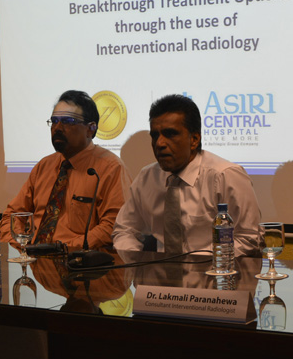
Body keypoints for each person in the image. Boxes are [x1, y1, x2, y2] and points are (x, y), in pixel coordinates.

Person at [112, 94, 262, 256]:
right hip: (159, 270)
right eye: (155, 135)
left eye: (170, 134)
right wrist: (136, 260)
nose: (159, 143)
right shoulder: (146, 178)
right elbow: (125, 229)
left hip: (214, 269)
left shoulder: (224, 176)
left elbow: (249, 237)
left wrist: (199, 261)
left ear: (194, 139)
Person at [0, 90, 130, 250]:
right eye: (54, 121)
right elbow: (12, 216)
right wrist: (21, 246)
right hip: (34, 258)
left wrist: (64, 250)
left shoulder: (110, 168)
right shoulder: (44, 166)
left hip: (77, 260)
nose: (57, 128)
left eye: (68, 121)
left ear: (91, 128)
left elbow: (112, 226)